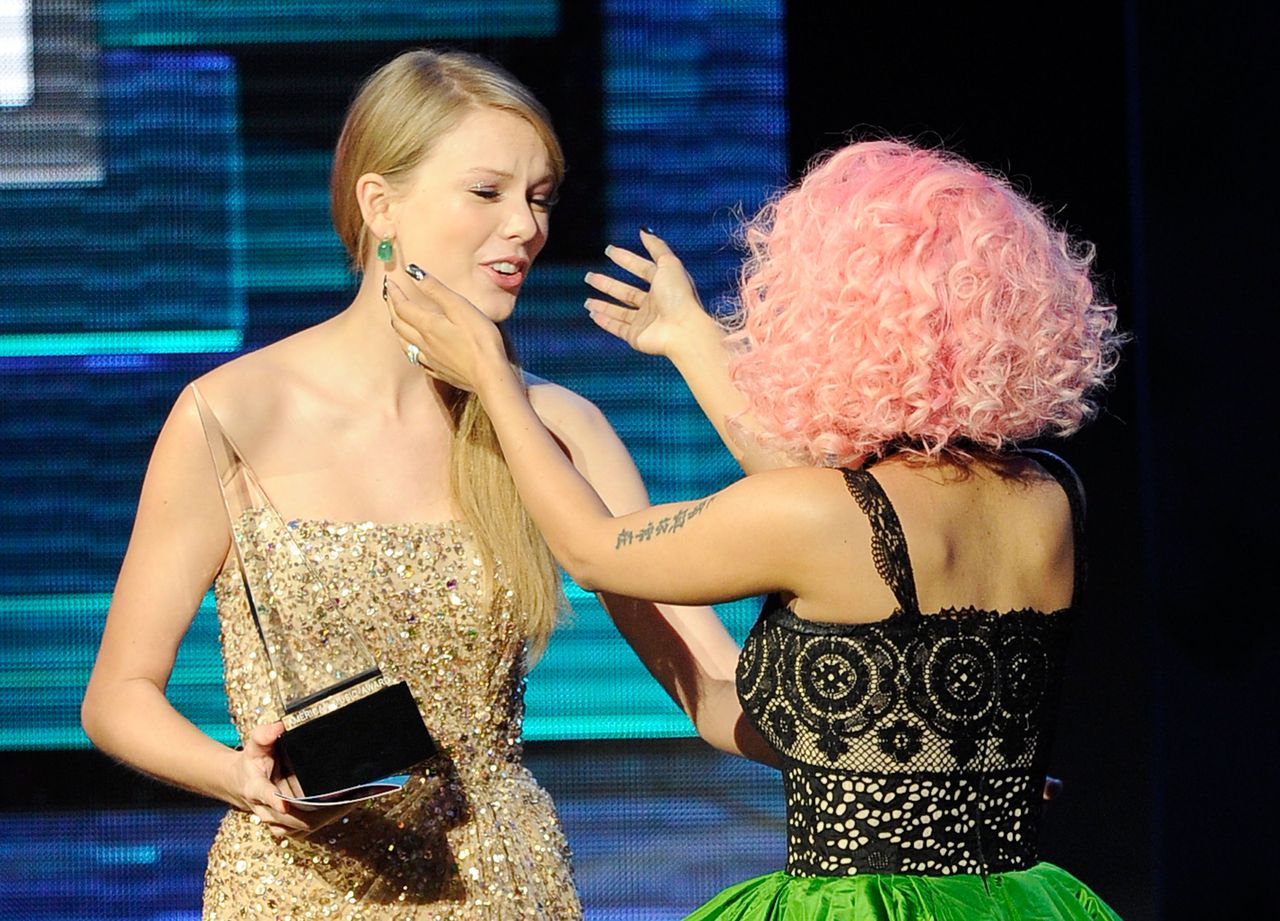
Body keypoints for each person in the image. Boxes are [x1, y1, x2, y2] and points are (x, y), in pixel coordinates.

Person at [80, 49, 771, 920]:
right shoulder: (229, 415)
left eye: (540, 197)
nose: (525, 226)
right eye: (487, 193)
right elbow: (117, 695)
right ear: (381, 205)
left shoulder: (557, 428)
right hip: (298, 887)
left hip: (502, 884)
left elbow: (713, 685)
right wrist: (240, 774)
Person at [386, 139, 1126, 919]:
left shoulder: (826, 514)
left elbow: (592, 550)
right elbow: (817, 499)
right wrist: (686, 335)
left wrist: (492, 377)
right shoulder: (1048, 495)